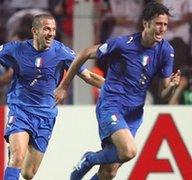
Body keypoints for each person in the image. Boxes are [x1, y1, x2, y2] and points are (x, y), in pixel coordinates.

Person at [0, 14, 105, 180]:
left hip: (46, 115)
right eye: (46, 29)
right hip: (20, 110)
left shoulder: (62, 52)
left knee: (28, 173)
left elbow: (88, 76)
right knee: (18, 157)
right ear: (35, 31)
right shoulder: (16, 49)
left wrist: (115, 88)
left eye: (53, 29)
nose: (51, 33)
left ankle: (16, 155)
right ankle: (14, 153)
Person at [54, 2, 181, 180]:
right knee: (129, 151)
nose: (162, 29)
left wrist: (173, 87)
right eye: (158, 24)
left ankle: (92, 163)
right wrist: (64, 86)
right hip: (111, 106)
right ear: (146, 23)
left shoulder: (166, 51)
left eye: (165, 25)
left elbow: (164, 94)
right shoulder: (123, 44)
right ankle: (89, 159)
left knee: (109, 172)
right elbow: (84, 53)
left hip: (134, 113)